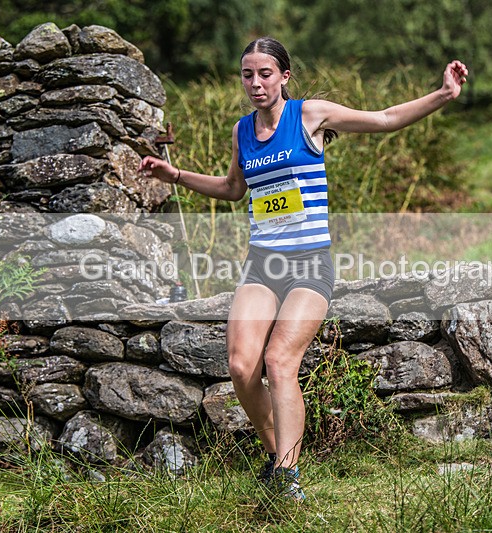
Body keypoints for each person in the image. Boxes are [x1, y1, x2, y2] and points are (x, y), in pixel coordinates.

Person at [138, 37, 468, 501]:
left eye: (265, 74)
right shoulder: (242, 131)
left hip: (310, 264)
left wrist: (444, 94)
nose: (255, 83)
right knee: (239, 364)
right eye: (247, 75)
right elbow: (234, 189)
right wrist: (176, 176)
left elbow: (386, 119)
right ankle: (279, 460)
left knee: (279, 360)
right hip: (262, 263)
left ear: (284, 76)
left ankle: (288, 478)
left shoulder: (309, 115)